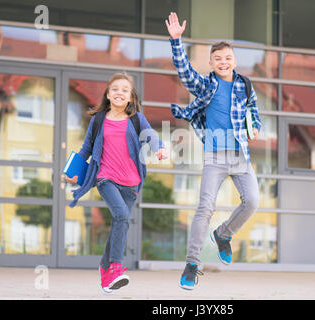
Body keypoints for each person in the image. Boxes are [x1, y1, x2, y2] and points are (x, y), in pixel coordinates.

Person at [165, 12, 262, 290]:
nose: (223, 62)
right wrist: (176, 41)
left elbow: (253, 110)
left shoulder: (245, 86)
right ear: (211, 63)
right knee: (205, 208)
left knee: (252, 202)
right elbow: (184, 72)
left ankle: (223, 235)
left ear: (234, 61)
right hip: (215, 157)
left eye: (227, 58)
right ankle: (192, 264)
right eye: (217, 59)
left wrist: (254, 126)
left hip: (240, 156)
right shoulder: (206, 84)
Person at [65, 72, 168, 294]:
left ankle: (105, 272)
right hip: (106, 179)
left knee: (118, 225)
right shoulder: (99, 120)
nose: (119, 93)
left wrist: (159, 148)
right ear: (108, 94)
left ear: (130, 97)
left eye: (124, 90)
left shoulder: (136, 119)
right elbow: (86, 149)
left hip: (131, 184)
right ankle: (116, 268)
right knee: (121, 217)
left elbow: (151, 135)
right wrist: (73, 172)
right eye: (115, 89)